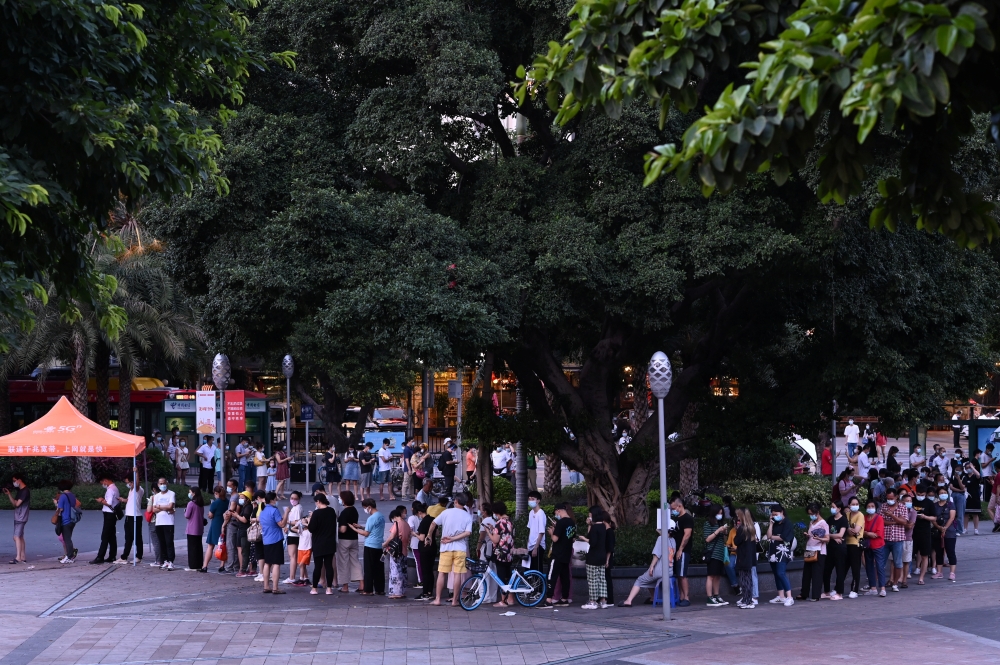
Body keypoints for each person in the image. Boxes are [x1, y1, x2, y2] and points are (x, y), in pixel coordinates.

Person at [428, 492, 473, 606]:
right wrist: (453, 538)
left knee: (442, 573)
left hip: (446, 547)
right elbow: (468, 533)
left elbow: (433, 523)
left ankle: (437, 599)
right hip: (460, 548)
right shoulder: (467, 516)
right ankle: (454, 601)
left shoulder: (446, 512)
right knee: (458, 574)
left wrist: (429, 535)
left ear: (455, 501)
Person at [618, 529, 671, 607]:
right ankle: (653, 598)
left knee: (640, 580)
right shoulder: (673, 540)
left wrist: (652, 566)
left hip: (660, 570)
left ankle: (628, 600)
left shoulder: (661, 539)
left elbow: (656, 554)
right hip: (669, 570)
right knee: (649, 579)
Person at [542, 503, 576, 608]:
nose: (556, 514)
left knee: (551, 576)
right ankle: (565, 598)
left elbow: (555, 539)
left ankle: (548, 600)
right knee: (565, 577)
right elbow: (573, 538)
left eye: (556, 512)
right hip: (566, 553)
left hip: (557, 554)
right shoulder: (572, 522)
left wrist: (552, 532)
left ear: (558, 510)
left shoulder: (561, 523)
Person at [351, 498, 386, 595]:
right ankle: (380, 589)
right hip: (379, 545)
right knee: (379, 568)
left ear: (369, 507)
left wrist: (354, 529)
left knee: (369, 568)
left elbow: (366, 533)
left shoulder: (371, 518)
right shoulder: (381, 516)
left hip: (370, 545)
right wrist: (361, 527)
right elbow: (373, 529)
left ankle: (368, 589)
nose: (365, 510)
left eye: (365, 508)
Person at [576, 506, 608, 609]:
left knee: (592, 580)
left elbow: (592, 541)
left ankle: (593, 601)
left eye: (590, 514)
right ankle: (603, 601)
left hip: (593, 557)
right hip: (602, 556)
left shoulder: (595, 528)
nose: (589, 515)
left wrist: (583, 538)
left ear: (593, 514)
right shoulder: (603, 526)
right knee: (602, 579)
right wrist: (589, 525)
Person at [486, 502, 516, 607]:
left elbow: (495, 540)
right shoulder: (510, 521)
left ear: (496, 512)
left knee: (501, 577)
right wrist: (492, 529)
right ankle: (510, 598)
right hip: (509, 553)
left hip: (501, 554)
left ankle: (503, 601)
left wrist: (488, 532)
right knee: (508, 575)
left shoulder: (499, 523)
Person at [797, 502, 829, 602]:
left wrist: (819, 538)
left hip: (819, 550)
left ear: (817, 512)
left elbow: (827, 539)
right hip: (809, 548)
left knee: (817, 573)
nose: (811, 516)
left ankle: (816, 594)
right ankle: (804, 593)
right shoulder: (812, 523)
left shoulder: (823, 523)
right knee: (806, 573)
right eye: (809, 514)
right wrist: (808, 535)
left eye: (812, 513)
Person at [259, 492, 289, 594]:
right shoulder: (274, 510)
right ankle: (275, 587)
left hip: (266, 539)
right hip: (275, 539)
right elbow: (282, 524)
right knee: (276, 563)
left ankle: (266, 586)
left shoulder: (263, 511)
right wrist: (286, 513)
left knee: (267, 563)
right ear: (272, 500)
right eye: (275, 499)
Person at [308, 492, 338, 594]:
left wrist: (309, 520)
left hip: (318, 543)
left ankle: (314, 588)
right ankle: (329, 588)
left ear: (319, 501)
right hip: (330, 542)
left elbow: (311, 528)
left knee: (318, 566)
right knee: (329, 566)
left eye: (316, 502)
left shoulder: (316, 513)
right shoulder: (331, 511)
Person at [765, 504, 794, 606]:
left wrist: (773, 537)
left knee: (781, 573)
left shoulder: (787, 523)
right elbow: (768, 535)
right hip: (773, 551)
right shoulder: (775, 523)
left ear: (782, 512)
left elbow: (785, 537)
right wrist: (771, 524)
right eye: (772, 515)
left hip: (783, 552)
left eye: (776, 514)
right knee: (776, 574)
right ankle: (781, 596)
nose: (774, 516)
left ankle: (789, 596)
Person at [879, 488, 907, 591]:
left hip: (898, 539)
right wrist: (896, 521)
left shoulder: (902, 507)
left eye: (891, 498)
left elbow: (904, 522)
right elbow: (881, 521)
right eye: (888, 498)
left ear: (896, 497)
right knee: (881, 562)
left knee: (898, 563)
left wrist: (891, 516)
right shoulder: (883, 506)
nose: (889, 500)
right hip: (885, 539)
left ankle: (895, 583)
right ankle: (880, 583)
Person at [669, 493, 694, 607]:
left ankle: (686, 597)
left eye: (674, 508)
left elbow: (687, 535)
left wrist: (680, 550)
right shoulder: (677, 519)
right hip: (675, 550)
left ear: (679, 506)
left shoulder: (687, 518)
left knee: (682, 574)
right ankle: (681, 596)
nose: (673, 510)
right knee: (678, 574)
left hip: (683, 550)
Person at [701, 505, 729, 606]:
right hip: (712, 554)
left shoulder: (720, 523)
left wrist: (725, 532)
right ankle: (709, 597)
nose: (720, 515)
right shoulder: (708, 524)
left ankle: (716, 595)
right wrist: (718, 531)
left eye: (721, 513)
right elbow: (707, 539)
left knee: (717, 576)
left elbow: (724, 540)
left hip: (720, 554)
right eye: (718, 513)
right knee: (711, 575)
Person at [89, 475, 120, 565]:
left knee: (105, 536)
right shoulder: (115, 488)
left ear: (106, 480)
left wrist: (101, 501)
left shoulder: (110, 490)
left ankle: (100, 557)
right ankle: (112, 555)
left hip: (109, 514)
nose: (103, 484)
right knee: (111, 536)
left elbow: (109, 503)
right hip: (113, 514)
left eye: (102, 483)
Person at [731, 508, 758, 609]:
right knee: (748, 579)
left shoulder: (742, 529)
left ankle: (747, 601)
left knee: (744, 579)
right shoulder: (751, 528)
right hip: (749, 557)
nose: (737, 517)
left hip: (743, 557)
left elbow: (737, 541)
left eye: (738, 515)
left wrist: (737, 530)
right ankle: (748, 599)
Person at [336, 491, 363, 593]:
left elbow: (343, 529)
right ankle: (361, 583)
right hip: (354, 539)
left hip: (344, 540)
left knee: (343, 562)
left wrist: (336, 529)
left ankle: (345, 586)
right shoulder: (354, 510)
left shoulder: (344, 513)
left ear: (344, 500)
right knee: (355, 561)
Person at [821, 501, 847, 600]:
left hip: (840, 549)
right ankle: (826, 591)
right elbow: (824, 533)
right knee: (826, 570)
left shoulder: (843, 520)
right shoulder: (830, 519)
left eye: (833, 507)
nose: (832, 508)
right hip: (830, 548)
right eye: (831, 507)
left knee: (840, 571)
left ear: (839, 508)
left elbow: (841, 535)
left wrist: (831, 536)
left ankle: (839, 593)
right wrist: (833, 537)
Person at [931, 486, 957, 581]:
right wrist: (939, 527)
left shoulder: (951, 505)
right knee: (939, 552)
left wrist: (945, 528)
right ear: (938, 494)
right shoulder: (934, 505)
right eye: (941, 493)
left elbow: (952, 517)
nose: (943, 494)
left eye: (944, 492)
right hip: (937, 530)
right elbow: (933, 518)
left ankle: (952, 572)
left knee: (950, 551)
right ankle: (939, 572)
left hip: (949, 531)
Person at [116, 474, 144, 564]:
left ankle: (139, 556)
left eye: (128, 482)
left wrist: (136, 472)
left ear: (132, 482)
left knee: (137, 537)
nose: (127, 484)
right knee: (128, 537)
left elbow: (137, 483)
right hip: (129, 516)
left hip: (136, 516)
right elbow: (130, 500)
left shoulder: (138, 489)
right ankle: (124, 556)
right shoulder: (131, 491)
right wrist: (123, 500)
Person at [862, 499, 887, 596]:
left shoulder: (879, 518)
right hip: (868, 546)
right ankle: (873, 588)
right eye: (868, 506)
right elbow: (861, 531)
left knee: (880, 566)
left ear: (876, 508)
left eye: (872, 506)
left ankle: (882, 588)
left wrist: (866, 533)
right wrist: (868, 533)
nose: (870, 508)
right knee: (869, 566)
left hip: (878, 545)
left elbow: (878, 534)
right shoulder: (864, 518)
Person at [912, 484, 935, 584]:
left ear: (925, 494)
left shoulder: (929, 503)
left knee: (925, 555)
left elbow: (934, 518)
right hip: (912, 531)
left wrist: (925, 517)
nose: (920, 495)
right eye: (918, 494)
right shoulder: (911, 501)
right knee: (909, 554)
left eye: (922, 494)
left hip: (925, 532)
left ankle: (921, 577)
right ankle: (904, 575)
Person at [384, 508, 410, 599]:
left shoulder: (397, 524)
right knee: (403, 571)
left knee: (395, 571)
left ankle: (396, 592)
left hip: (396, 551)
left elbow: (391, 536)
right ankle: (402, 591)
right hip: (404, 550)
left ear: (394, 517)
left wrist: (385, 544)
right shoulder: (406, 524)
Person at [151, 478, 177, 570]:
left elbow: (171, 506)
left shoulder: (171, 494)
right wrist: (164, 507)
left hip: (168, 522)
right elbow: (153, 509)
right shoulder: (156, 496)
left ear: (167, 483)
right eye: (160, 483)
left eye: (164, 483)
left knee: (169, 542)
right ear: (158, 485)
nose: (162, 485)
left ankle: (171, 561)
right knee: (162, 542)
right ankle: (165, 560)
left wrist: (159, 506)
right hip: (159, 522)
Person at [4, 473, 29, 564]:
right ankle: (22, 556)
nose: (14, 483)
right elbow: (15, 503)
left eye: (15, 480)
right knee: (20, 536)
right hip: (19, 516)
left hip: (21, 516)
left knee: (16, 536)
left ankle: (18, 557)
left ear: (20, 480)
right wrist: (9, 494)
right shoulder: (20, 491)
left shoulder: (25, 491)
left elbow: (17, 504)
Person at [202, 485, 227, 573]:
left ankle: (205, 566)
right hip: (224, 524)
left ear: (216, 493)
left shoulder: (215, 503)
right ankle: (222, 565)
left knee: (210, 546)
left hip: (216, 523)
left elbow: (210, 515)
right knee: (223, 545)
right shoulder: (227, 501)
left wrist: (209, 516)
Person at [414, 502, 435, 599]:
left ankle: (425, 592)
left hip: (425, 548)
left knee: (425, 571)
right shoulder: (432, 519)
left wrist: (414, 534)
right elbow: (437, 532)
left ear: (419, 512)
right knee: (430, 570)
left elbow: (422, 538)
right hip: (433, 547)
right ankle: (430, 591)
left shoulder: (423, 522)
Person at [55, 480, 78, 563]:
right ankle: (69, 556)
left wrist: (56, 504)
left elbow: (60, 508)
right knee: (68, 538)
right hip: (72, 519)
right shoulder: (72, 495)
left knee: (67, 539)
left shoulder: (63, 496)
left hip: (65, 520)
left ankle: (69, 556)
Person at [283, 491, 304, 584]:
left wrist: (287, 522)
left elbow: (297, 522)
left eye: (295, 498)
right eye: (292, 498)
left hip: (294, 534)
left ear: (299, 499)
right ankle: (303, 576)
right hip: (293, 533)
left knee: (293, 556)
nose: (293, 500)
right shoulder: (295, 508)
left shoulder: (297, 508)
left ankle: (292, 577)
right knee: (294, 556)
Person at [183, 487, 205, 571]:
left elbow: (187, 515)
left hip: (192, 528)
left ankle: (193, 565)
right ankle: (199, 564)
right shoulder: (200, 503)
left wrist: (185, 511)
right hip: (199, 528)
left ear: (194, 493)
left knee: (192, 548)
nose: (189, 494)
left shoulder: (191, 503)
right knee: (198, 547)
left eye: (190, 492)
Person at [526, 490, 546, 573]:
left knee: (536, 570)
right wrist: (528, 544)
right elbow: (530, 529)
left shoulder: (541, 514)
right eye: (529, 499)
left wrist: (536, 548)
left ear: (538, 501)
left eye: (533, 499)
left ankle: (538, 586)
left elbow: (541, 532)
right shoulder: (531, 512)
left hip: (538, 546)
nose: (530, 501)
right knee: (529, 570)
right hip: (530, 545)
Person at [962, 460, 982, 534]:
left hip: (975, 496)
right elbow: (963, 485)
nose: (968, 469)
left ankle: (976, 529)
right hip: (967, 496)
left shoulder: (975, 476)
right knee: (966, 514)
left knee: (975, 514)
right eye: (967, 468)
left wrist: (972, 467)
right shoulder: (965, 476)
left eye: (969, 467)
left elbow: (978, 475)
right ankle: (965, 529)